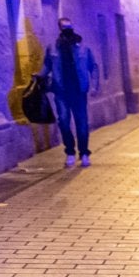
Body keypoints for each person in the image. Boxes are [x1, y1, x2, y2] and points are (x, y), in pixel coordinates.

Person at [41, 17, 99, 167]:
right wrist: (39, 76)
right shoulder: (52, 47)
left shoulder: (83, 47)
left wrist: (94, 86)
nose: (67, 30)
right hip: (61, 91)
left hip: (79, 91)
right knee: (64, 122)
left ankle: (84, 153)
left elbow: (93, 67)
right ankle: (70, 152)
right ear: (59, 28)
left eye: (69, 27)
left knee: (82, 124)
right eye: (64, 27)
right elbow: (47, 66)